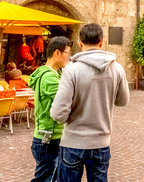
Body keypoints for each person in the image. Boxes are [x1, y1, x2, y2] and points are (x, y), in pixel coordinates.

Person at [51, 24, 129, 182]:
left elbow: (58, 114)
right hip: (101, 142)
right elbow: (122, 101)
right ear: (101, 42)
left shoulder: (71, 71)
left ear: (80, 42)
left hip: (73, 142)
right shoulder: (117, 69)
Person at [29, 36, 71, 182]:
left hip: (50, 137)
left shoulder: (54, 74)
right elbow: (69, 101)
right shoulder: (49, 78)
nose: (69, 57)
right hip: (48, 139)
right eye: (68, 53)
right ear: (57, 53)